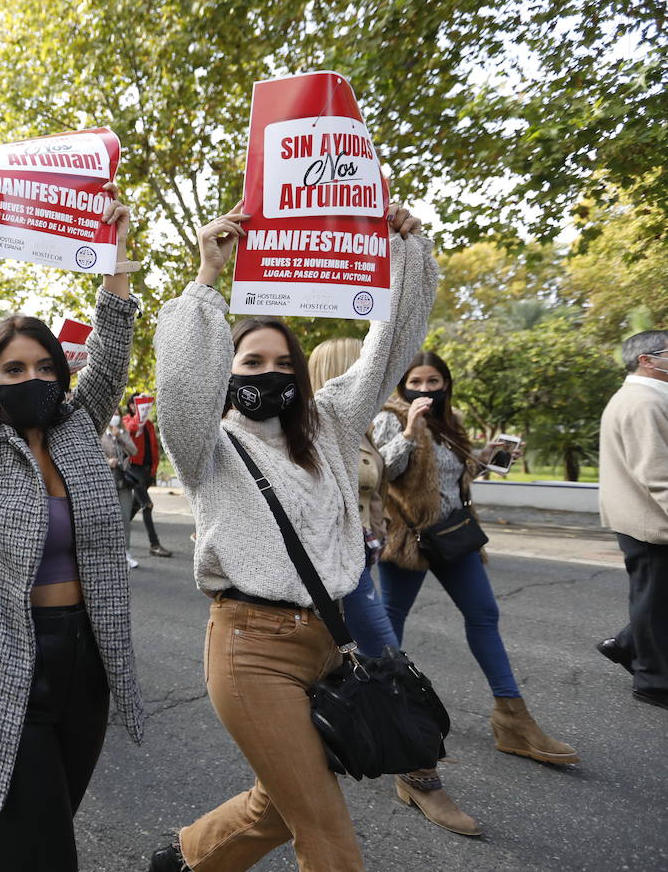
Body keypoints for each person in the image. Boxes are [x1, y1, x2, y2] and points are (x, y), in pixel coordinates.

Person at [149, 202, 433, 872]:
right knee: (326, 828)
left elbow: (388, 346)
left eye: (282, 361)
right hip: (250, 652)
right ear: (228, 369)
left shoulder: (331, 423)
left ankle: (186, 861)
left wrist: (405, 253)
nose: (267, 371)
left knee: (279, 804)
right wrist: (206, 277)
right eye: (251, 360)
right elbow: (182, 388)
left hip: (329, 648)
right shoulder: (206, 446)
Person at [0, 185, 145, 872]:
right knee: (49, 857)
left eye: (46, 366)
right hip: (4, 666)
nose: (34, 377)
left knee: (24, 849)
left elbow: (109, 351)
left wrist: (115, 257)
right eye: (14, 368)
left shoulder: (78, 429)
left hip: (87, 668)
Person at [308, 337, 479, 837]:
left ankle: (408, 772)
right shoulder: (317, 429)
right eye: (364, 365)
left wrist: (377, 530)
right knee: (385, 660)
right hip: (329, 569)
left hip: (359, 560)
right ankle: (419, 776)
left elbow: (380, 481)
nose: (377, 375)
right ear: (341, 372)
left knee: (375, 662)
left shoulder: (358, 427)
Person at [373, 351, 579, 765]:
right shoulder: (389, 417)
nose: (426, 389)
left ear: (446, 384)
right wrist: (411, 430)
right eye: (418, 381)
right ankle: (381, 710)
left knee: (484, 614)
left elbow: (454, 478)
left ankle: (513, 719)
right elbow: (382, 472)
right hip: (408, 539)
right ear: (403, 383)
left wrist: (484, 458)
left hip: (452, 535)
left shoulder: (453, 422)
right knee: (390, 622)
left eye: (435, 382)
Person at [595, 330, 668, 710]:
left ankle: (626, 644)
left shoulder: (646, 397)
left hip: (643, 516)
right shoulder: (644, 402)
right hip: (650, 521)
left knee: (656, 597)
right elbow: (658, 474)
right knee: (654, 599)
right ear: (647, 360)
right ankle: (653, 682)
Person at [123, 393, 173, 559]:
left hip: (146, 472)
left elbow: (153, 449)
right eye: (137, 405)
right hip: (133, 470)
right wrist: (140, 416)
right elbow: (131, 429)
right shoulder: (127, 421)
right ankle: (154, 545)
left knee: (135, 507)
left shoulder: (150, 425)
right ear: (131, 406)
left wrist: (153, 470)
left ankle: (113, 534)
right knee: (147, 505)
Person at [102, 413, 139, 568]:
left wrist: (121, 437)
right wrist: (107, 462)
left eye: (117, 413)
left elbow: (134, 451)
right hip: (107, 482)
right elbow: (94, 454)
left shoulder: (124, 434)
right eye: (112, 413)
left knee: (124, 518)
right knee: (107, 519)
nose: (114, 417)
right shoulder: (101, 434)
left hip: (124, 482)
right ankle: (107, 554)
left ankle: (125, 553)